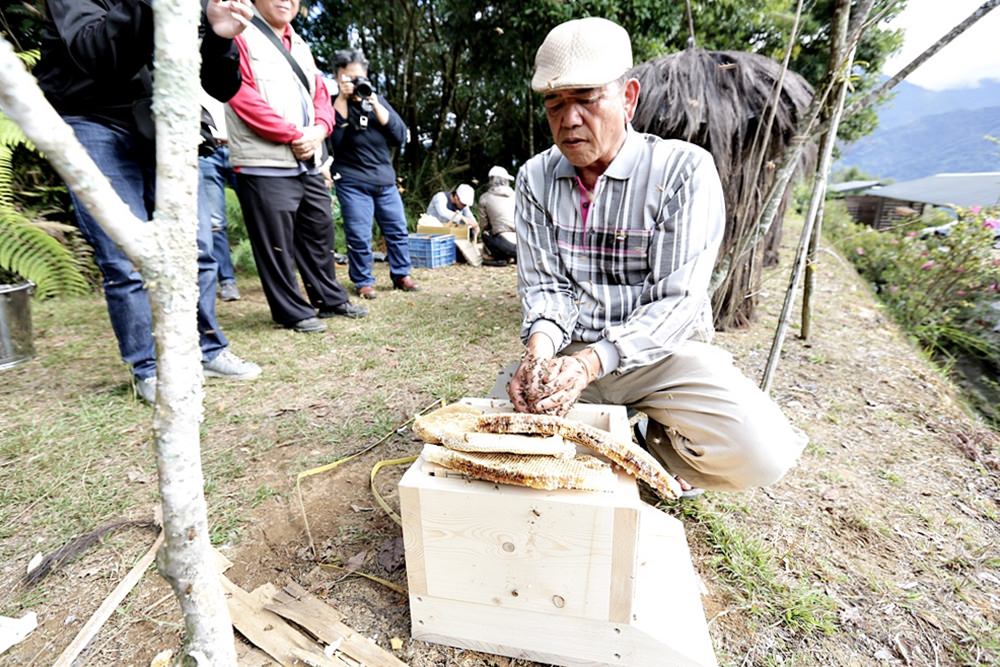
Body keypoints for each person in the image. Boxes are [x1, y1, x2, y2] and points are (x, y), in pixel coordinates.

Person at [508, 17, 806, 494]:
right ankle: (610, 430)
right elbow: (547, 286)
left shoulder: (683, 170)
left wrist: (594, 361)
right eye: (554, 104)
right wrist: (540, 354)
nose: (568, 120)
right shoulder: (534, 178)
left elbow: (677, 302)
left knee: (760, 454)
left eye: (586, 99)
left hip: (662, 354)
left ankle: (652, 446)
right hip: (569, 353)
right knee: (507, 456)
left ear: (628, 98)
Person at [35, 0, 262, 405]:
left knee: (196, 247)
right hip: (92, 122)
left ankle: (205, 350)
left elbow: (222, 85)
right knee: (125, 256)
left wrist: (218, 36)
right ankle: (149, 367)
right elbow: (97, 53)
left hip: (163, 121)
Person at [225, 0, 366, 333]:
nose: (285, 1)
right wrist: (291, 135)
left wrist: (319, 130)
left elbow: (319, 93)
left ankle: (329, 298)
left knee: (319, 229)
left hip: (309, 157)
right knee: (275, 242)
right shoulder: (239, 31)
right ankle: (291, 310)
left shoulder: (299, 42)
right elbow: (239, 94)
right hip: (264, 158)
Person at [328, 48, 418, 299]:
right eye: (349, 78)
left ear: (366, 76)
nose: (356, 83)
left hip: (385, 181)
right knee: (359, 235)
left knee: (397, 230)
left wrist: (375, 104)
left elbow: (399, 135)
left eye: (359, 78)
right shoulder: (334, 103)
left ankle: (401, 274)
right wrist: (343, 100)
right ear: (338, 78)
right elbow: (335, 140)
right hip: (352, 180)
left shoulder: (376, 101)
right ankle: (363, 281)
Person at [199, 91, 240, 302]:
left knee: (262, 212)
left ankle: (278, 273)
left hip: (241, 146)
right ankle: (227, 281)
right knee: (215, 222)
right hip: (207, 149)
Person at [478, 166, 518, 265]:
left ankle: (500, 258)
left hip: (504, 242)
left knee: (485, 234)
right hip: (522, 244)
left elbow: (484, 225)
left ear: (491, 180)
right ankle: (516, 257)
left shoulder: (485, 198)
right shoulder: (516, 195)